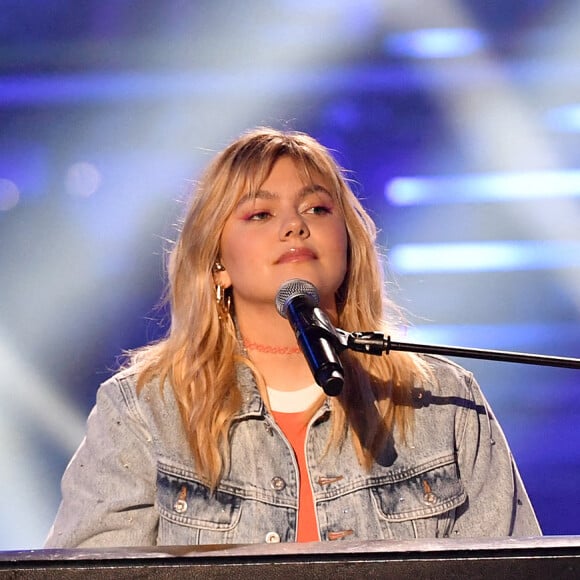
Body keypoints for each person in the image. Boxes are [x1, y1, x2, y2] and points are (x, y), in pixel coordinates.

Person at [45, 127, 541, 548]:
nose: (294, 227)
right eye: (260, 214)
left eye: (318, 209)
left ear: (347, 241)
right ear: (217, 263)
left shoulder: (441, 401)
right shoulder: (144, 411)